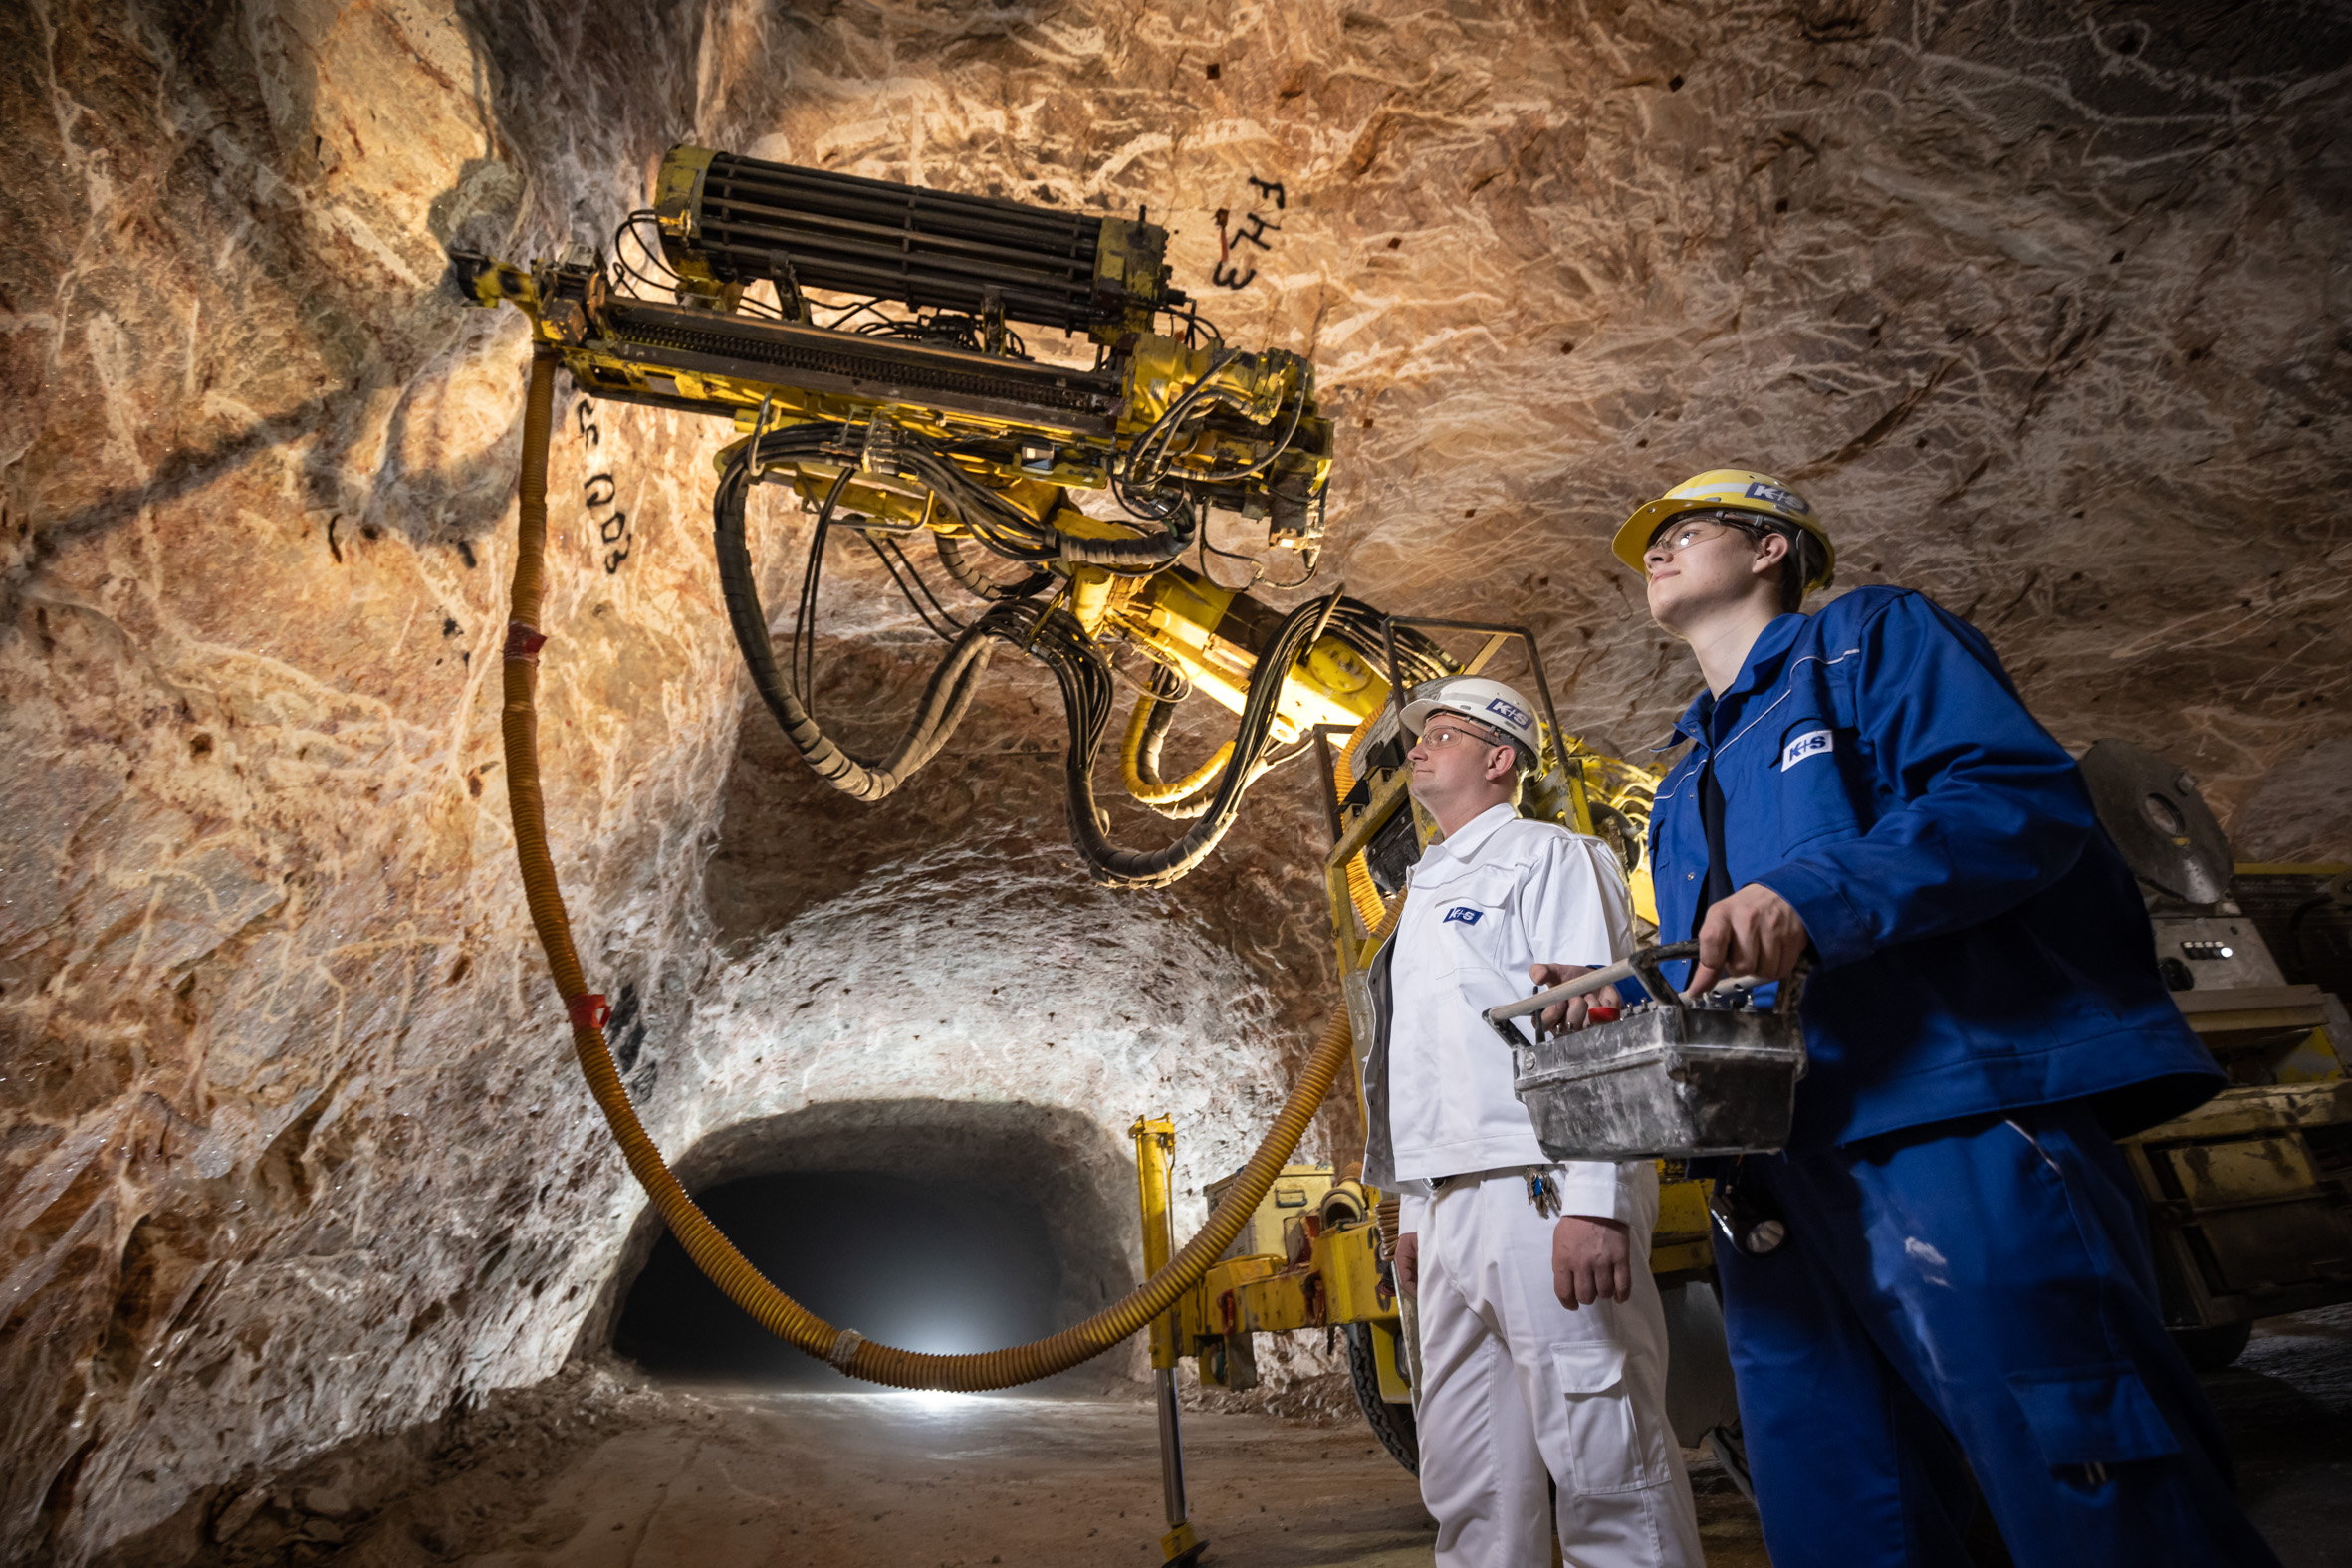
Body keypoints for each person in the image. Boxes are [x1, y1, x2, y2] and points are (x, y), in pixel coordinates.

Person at [1559, 468, 2278, 1567]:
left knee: (2085, 1473)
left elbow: (2011, 800)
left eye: (1684, 530)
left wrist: (1814, 893)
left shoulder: (1867, 640)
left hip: (1946, 1117)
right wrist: (1628, 995)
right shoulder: (1686, 765)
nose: (1652, 551)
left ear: (1770, 549)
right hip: (1779, 1170)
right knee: (1842, 1494)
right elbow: (1732, 962)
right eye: (1648, 542)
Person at [1351, 675, 1705, 1568]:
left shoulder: (1554, 857)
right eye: (1419, 734)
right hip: (1454, 1208)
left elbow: (1597, 1020)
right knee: (1471, 1482)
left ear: (1499, 758)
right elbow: (1428, 1066)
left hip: (1541, 1192)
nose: (1417, 747)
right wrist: (1418, 1214)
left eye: (1443, 732)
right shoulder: (1421, 893)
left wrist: (1597, 1196)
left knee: (1605, 1459)